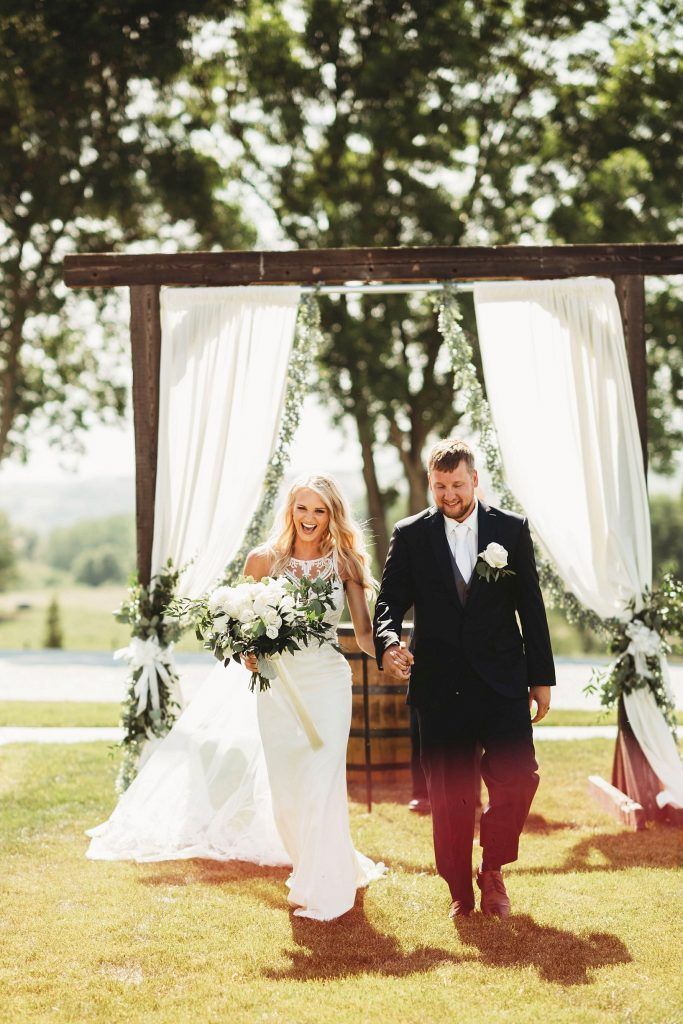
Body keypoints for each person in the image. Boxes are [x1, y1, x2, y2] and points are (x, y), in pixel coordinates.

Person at [86, 473, 385, 921]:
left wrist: (392, 650)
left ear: (331, 516)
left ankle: (325, 888)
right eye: (302, 508)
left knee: (322, 782)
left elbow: (362, 634)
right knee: (288, 792)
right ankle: (315, 864)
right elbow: (242, 625)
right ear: (290, 510)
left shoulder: (345, 564)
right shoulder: (262, 561)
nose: (309, 518)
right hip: (278, 688)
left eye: (319, 510)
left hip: (326, 682)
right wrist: (247, 650)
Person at [373, 439, 555, 918]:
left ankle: (493, 868)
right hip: (440, 687)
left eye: (456, 484)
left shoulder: (510, 530)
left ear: (475, 479)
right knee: (450, 795)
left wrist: (541, 677)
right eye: (439, 486)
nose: (449, 495)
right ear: (430, 483)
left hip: (502, 682)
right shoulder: (411, 534)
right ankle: (459, 889)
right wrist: (389, 642)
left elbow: (530, 606)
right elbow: (389, 600)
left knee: (519, 778)